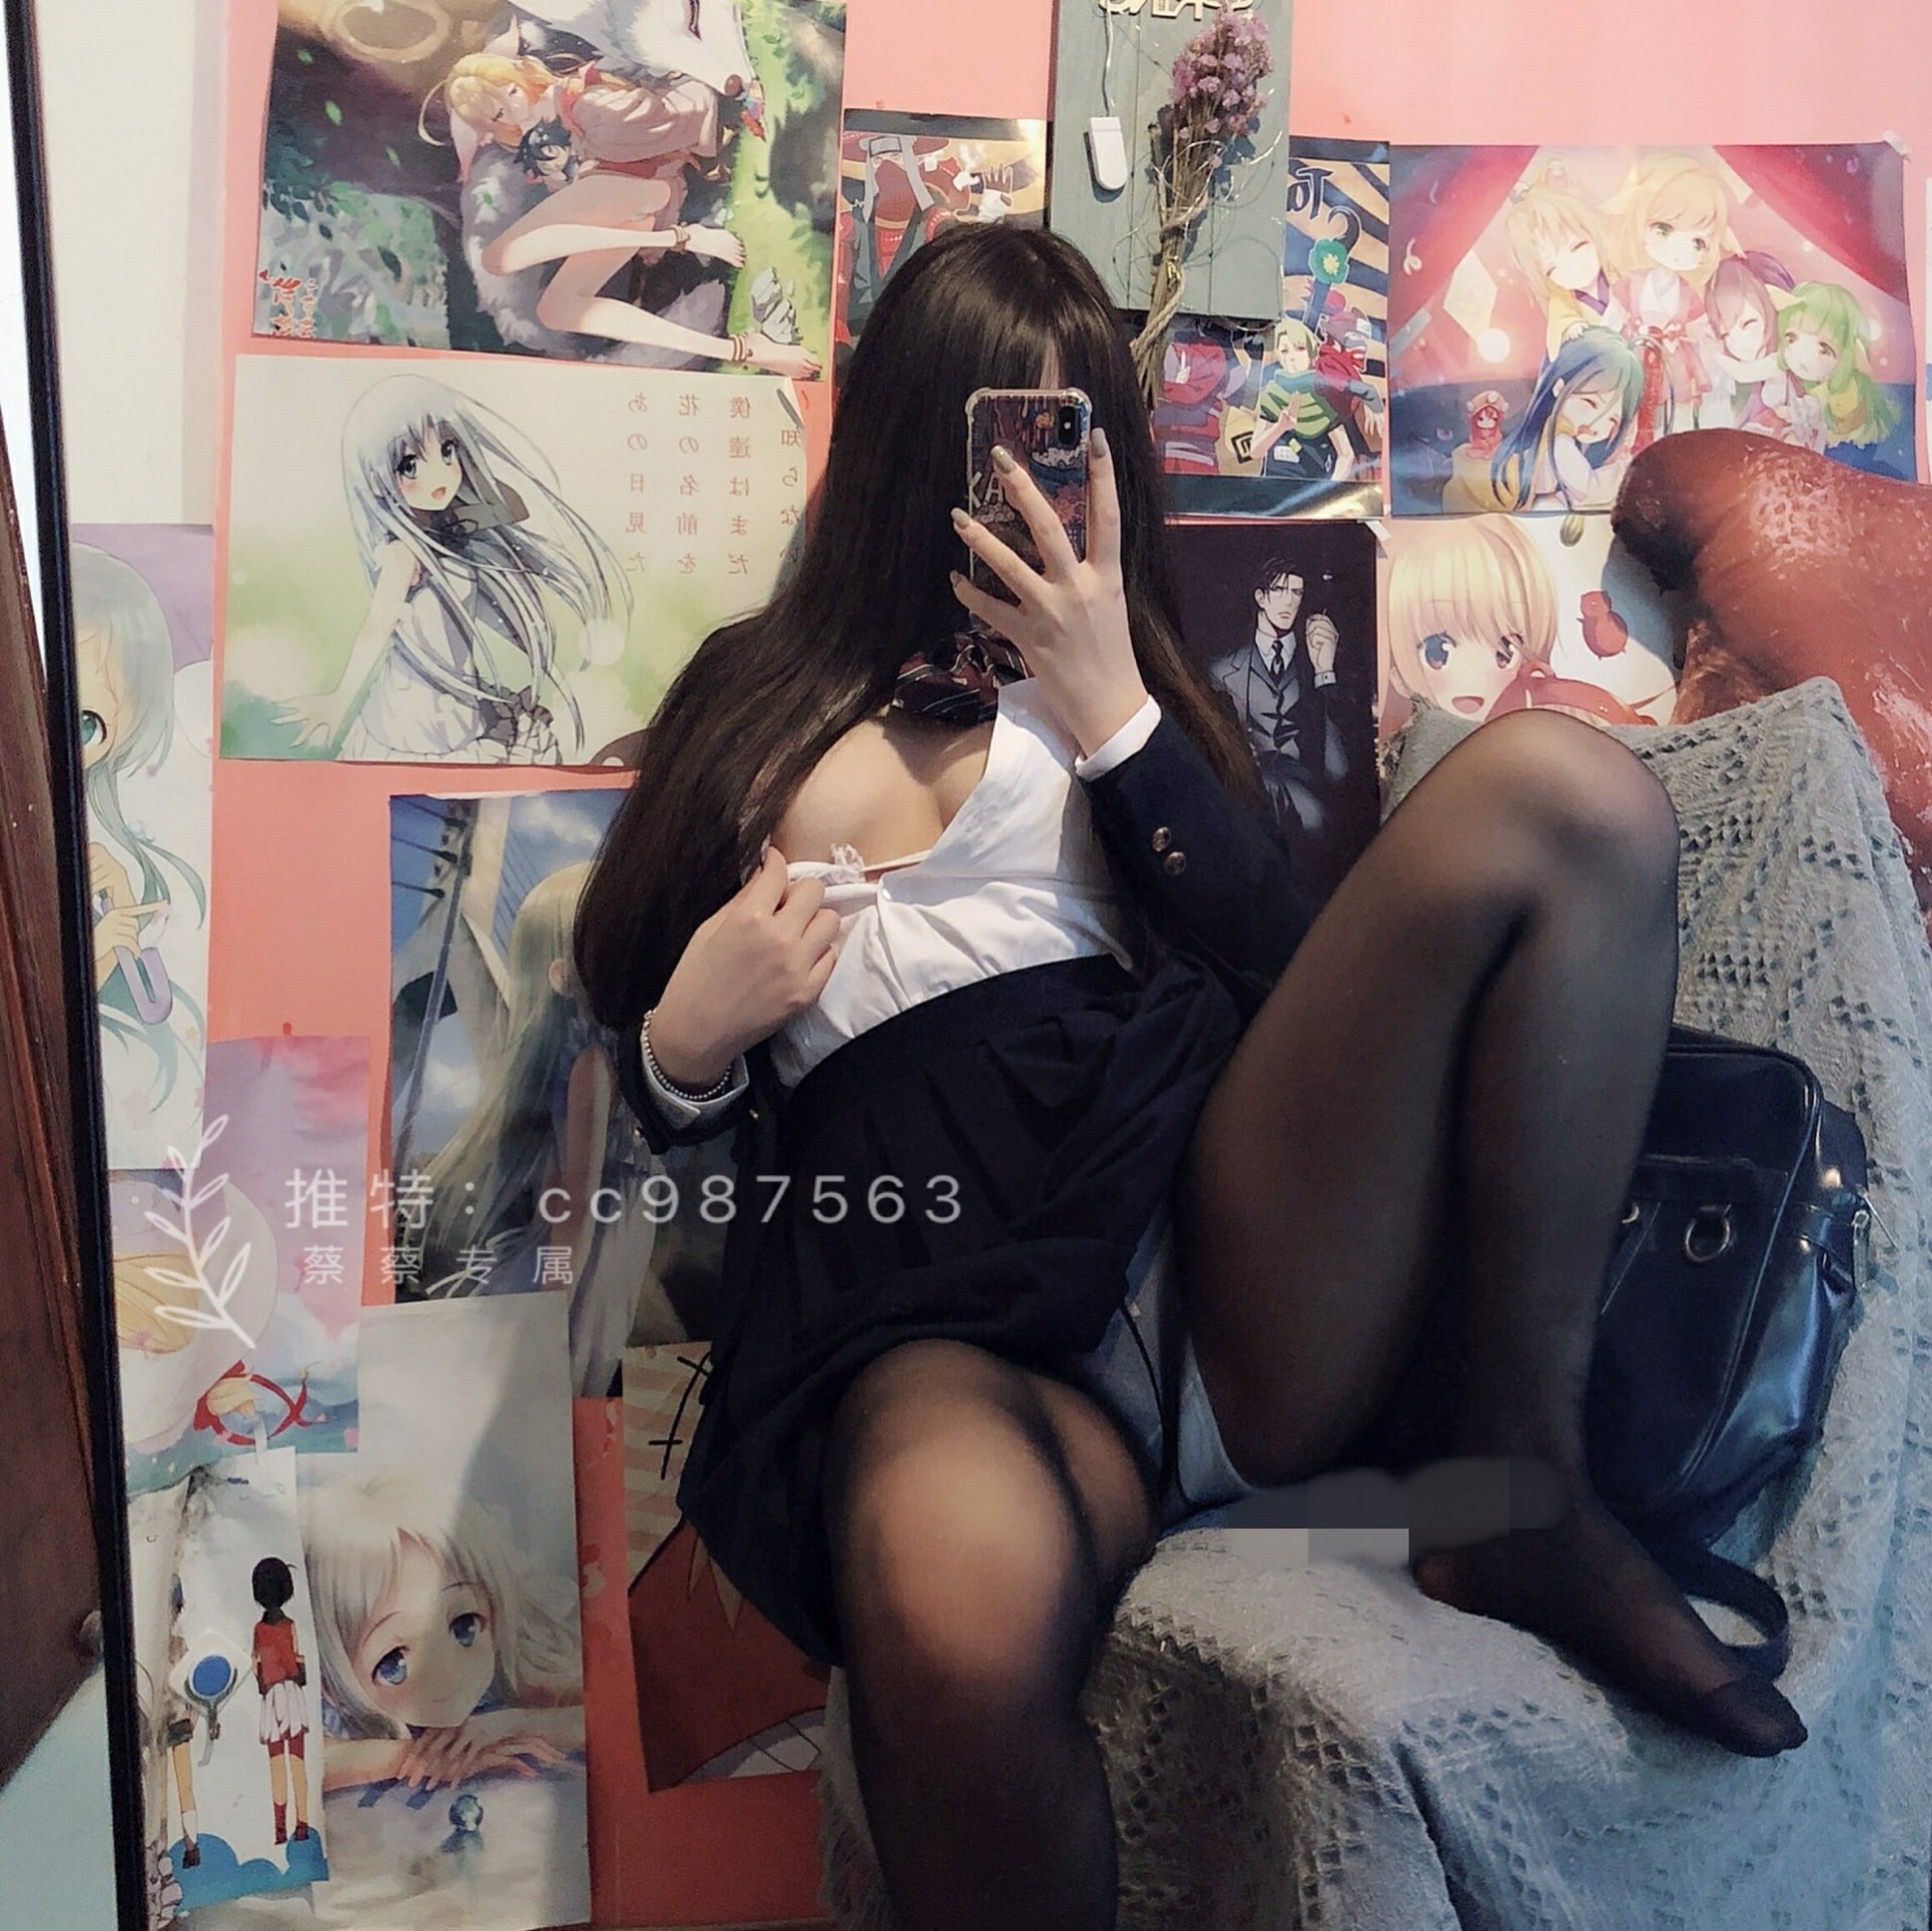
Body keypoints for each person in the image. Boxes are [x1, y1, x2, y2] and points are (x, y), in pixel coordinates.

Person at [574, 222, 1806, 1931]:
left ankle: (1523, 1488)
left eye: (1073, 438)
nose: (1035, 480)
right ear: (915, 441)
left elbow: (1285, 974)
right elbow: (634, 1032)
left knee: (1570, 799)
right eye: (1001, 430)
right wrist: (693, 1039)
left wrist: (1117, 718)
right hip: (934, 1306)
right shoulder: (754, 699)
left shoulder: (1134, 684)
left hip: (1211, 1248)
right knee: (947, 1596)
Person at [1204, 555, 1350, 854]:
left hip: (1313, 807)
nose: (1289, 601)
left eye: (1296, 592)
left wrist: (1324, 673)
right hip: (1249, 804)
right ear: (1260, 597)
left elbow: (1339, 768)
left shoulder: (1319, 664)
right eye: (1279, 590)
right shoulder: (1223, 670)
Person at [249, 1557, 314, 1848]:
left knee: (276, 1764)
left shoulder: (257, 1629)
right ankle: (302, 1824)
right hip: (291, 1695)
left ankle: (279, 1829)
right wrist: (298, 1671)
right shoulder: (289, 1625)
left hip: (272, 1698)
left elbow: (256, 1665)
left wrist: (265, 1682)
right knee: (297, 1761)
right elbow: (296, 1662)